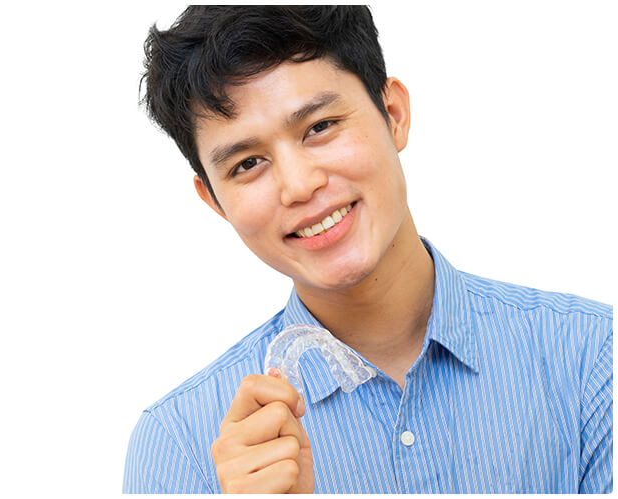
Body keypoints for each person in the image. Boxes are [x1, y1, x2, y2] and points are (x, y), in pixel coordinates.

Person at [123, 6, 612, 493]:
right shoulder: (180, 445)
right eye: (248, 163)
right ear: (215, 201)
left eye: (319, 127)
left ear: (393, 115)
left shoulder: (594, 357)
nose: (298, 186)